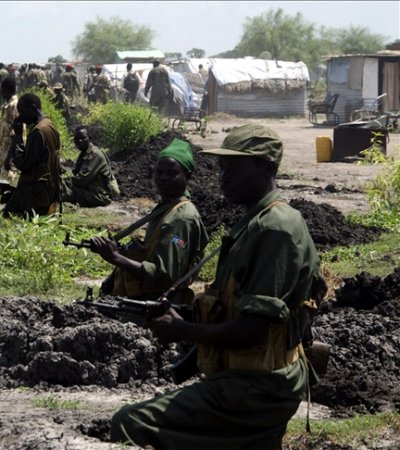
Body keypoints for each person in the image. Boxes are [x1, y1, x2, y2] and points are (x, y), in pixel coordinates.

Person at [109, 124, 321, 449]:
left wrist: (182, 331)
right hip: (248, 379)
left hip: (258, 386)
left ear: (265, 167)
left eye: (234, 168)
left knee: (130, 422)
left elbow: (253, 330)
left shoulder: (275, 229)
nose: (223, 178)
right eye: (222, 168)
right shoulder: (254, 223)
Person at [91, 138, 208, 303]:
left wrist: (117, 258)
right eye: (159, 173)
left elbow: (165, 277)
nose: (163, 178)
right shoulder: (167, 207)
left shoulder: (181, 217)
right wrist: (122, 251)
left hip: (157, 305)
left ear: (187, 176)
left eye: (171, 173)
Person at [3, 93, 61, 218]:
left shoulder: (38, 132)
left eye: (23, 113)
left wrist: (18, 138)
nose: (21, 118)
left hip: (36, 193)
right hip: (49, 189)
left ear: (33, 108)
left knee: (6, 217)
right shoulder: (50, 125)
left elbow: (24, 164)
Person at [60, 126, 119, 208]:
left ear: (89, 138)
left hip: (100, 195)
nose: (79, 141)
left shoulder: (94, 154)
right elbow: (76, 173)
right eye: (76, 139)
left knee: (62, 186)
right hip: (91, 191)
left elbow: (81, 179)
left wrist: (64, 180)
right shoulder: (84, 154)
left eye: (83, 138)